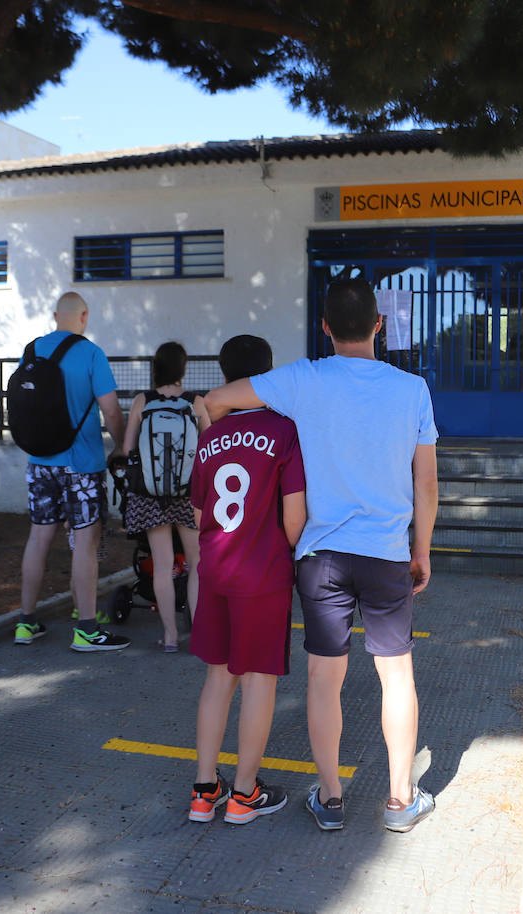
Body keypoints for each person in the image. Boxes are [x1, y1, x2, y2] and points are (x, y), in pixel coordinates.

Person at [204, 277, 440, 834]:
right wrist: (421, 549)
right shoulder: (412, 390)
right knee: (396, 676)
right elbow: (425, 483)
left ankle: (330, 799)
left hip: (321, 557)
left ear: (326, 327)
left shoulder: (302, 379)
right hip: (386, 553)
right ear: (380, 326)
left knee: (323, 680)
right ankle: (401, 800)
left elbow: (216, 402)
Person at [188, 335, 307, 826]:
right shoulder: (283, 429)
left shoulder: (210, 434)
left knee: (219, 677)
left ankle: (202, 790)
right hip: (263, 572)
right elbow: (295, 515)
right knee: (259, 681)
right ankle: (242, 795)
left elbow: (198, 516)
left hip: (215, 568)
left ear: (223, 373)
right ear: (268, 374)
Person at [15, 291, 131, 652]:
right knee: (85, 540)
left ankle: (26, 622)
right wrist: (122, 446)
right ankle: (85, 628)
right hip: (81, 464)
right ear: (84, 316)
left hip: (39, 462)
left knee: (39, 538)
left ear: (54, 316)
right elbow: (111, 411)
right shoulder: (91, 353)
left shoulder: (31, 351)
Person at [120, 341, 211, 652]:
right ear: (182, 369)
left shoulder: (142, 402)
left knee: (162, 565)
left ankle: (170, 636)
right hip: (189, 494)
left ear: (155, 367)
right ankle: (199, 637)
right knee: (196, 565)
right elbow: (209, 448)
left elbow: (127, 450)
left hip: (150, 496)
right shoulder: (195, 402)